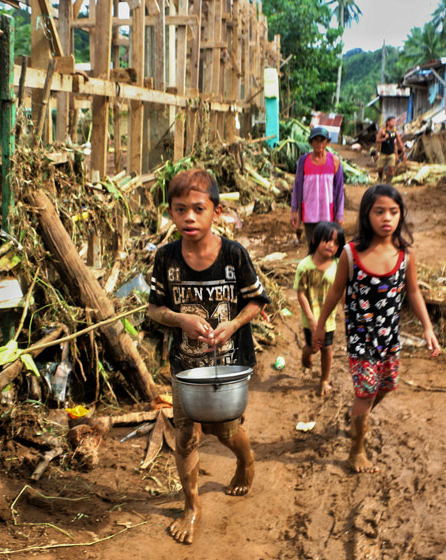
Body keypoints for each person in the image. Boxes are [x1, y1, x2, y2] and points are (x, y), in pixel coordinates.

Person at [147, 169, 270, 544]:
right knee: (185, 436)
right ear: (170, 212)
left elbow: (257, 301)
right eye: (180, 209)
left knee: (226, 431)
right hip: (185, 366)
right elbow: (154, 310)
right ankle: (192, 505)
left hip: (229, 363)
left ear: (216, 211)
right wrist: (179, 318)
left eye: (198, 209)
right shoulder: (166, 258)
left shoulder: (233, 255)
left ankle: (246, 462)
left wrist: (232, 325)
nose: (189, 217)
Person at [312, 184, 441, 473]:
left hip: (390, 338)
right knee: (366, 392)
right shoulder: (350, 254)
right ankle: (355, 451)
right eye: (379, 211)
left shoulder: (405, 255)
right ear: (366, 215)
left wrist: (428, 329)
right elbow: (334, 292)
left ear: (400, 215)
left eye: (393, 212)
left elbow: (414, 292)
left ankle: (359, 415)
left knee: (386, 386)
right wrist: (321, 326)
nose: (387, 218)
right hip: (360, 339)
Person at [294, 221, 345, 397]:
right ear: (316, 239)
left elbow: (342, 290)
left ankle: (324, 379)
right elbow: (300, 294)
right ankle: (306, 352)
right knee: (314, 347)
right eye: (327, 240)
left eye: (336, 242)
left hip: (329, 318)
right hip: (311, 317)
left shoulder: (339, 265)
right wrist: (310, 317)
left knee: (327, 348)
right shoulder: (304, 266)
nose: (331, 245)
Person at [290, 126, 344, 244]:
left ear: (327, 142)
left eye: (322, 140)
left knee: (327, 246)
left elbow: (339, 189)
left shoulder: (334, 161)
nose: (319, 143)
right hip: (309, 213)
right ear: (311, 142)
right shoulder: (303, 161)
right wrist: (294, 210)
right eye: (316, 140)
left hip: (328, 213)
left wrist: (339, 214)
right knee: (313, 247)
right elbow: (297, 187)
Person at [376, 117, 405, 183]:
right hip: (382, 153)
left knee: (391, 169)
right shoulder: (382, 131)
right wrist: (384, 139)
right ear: (388, 122)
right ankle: (380, 179)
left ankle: (388, 183)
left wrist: (403, 153)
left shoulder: (395, 132)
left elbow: (399, 143)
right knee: (380, 169)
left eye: (394, 121)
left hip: (391, 153)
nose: (394, 123)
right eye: (392, 121)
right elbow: (377, 140)